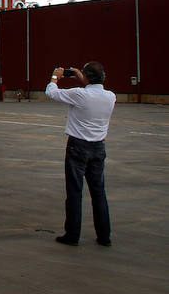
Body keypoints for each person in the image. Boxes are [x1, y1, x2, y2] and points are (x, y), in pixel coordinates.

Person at [46, 61, 116, 247]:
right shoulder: (110, 97)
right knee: (98, 192)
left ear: (86, 78)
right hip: (98, 148)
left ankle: (73, 234)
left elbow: (51, 92)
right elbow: (95, 90)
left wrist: (56, 76)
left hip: (78, 146)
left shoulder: (79, 94)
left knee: (75, 191)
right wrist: (81, 75)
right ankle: (104, 235)